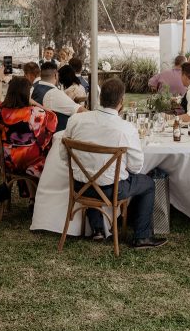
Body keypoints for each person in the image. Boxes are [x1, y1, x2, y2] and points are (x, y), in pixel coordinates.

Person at [61, 79, 167, 249]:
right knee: (147, 183)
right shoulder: (126, 128)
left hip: (80, 187)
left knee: (93, 176)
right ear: (121, 102)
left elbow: (64, 156)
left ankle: (98, 230)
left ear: (100, 97)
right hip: (111, 191)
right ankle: (142, 237)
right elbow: (136, 167)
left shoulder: (76, 120)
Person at [0, 76, 58, 192]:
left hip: (8, 162)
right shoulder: (35, 113)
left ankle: (31, 197)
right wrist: (32, 101)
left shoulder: (0, 111)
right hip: (32, 164)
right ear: (27, 93)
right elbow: (53, 117)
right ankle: (37, 197)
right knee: (42, 151)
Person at [31, 62, 85, 131]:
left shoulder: (33, 88)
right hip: (57, 137)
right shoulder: (54, 93)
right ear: (56, 75)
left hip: (37, 132)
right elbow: (80, 110)